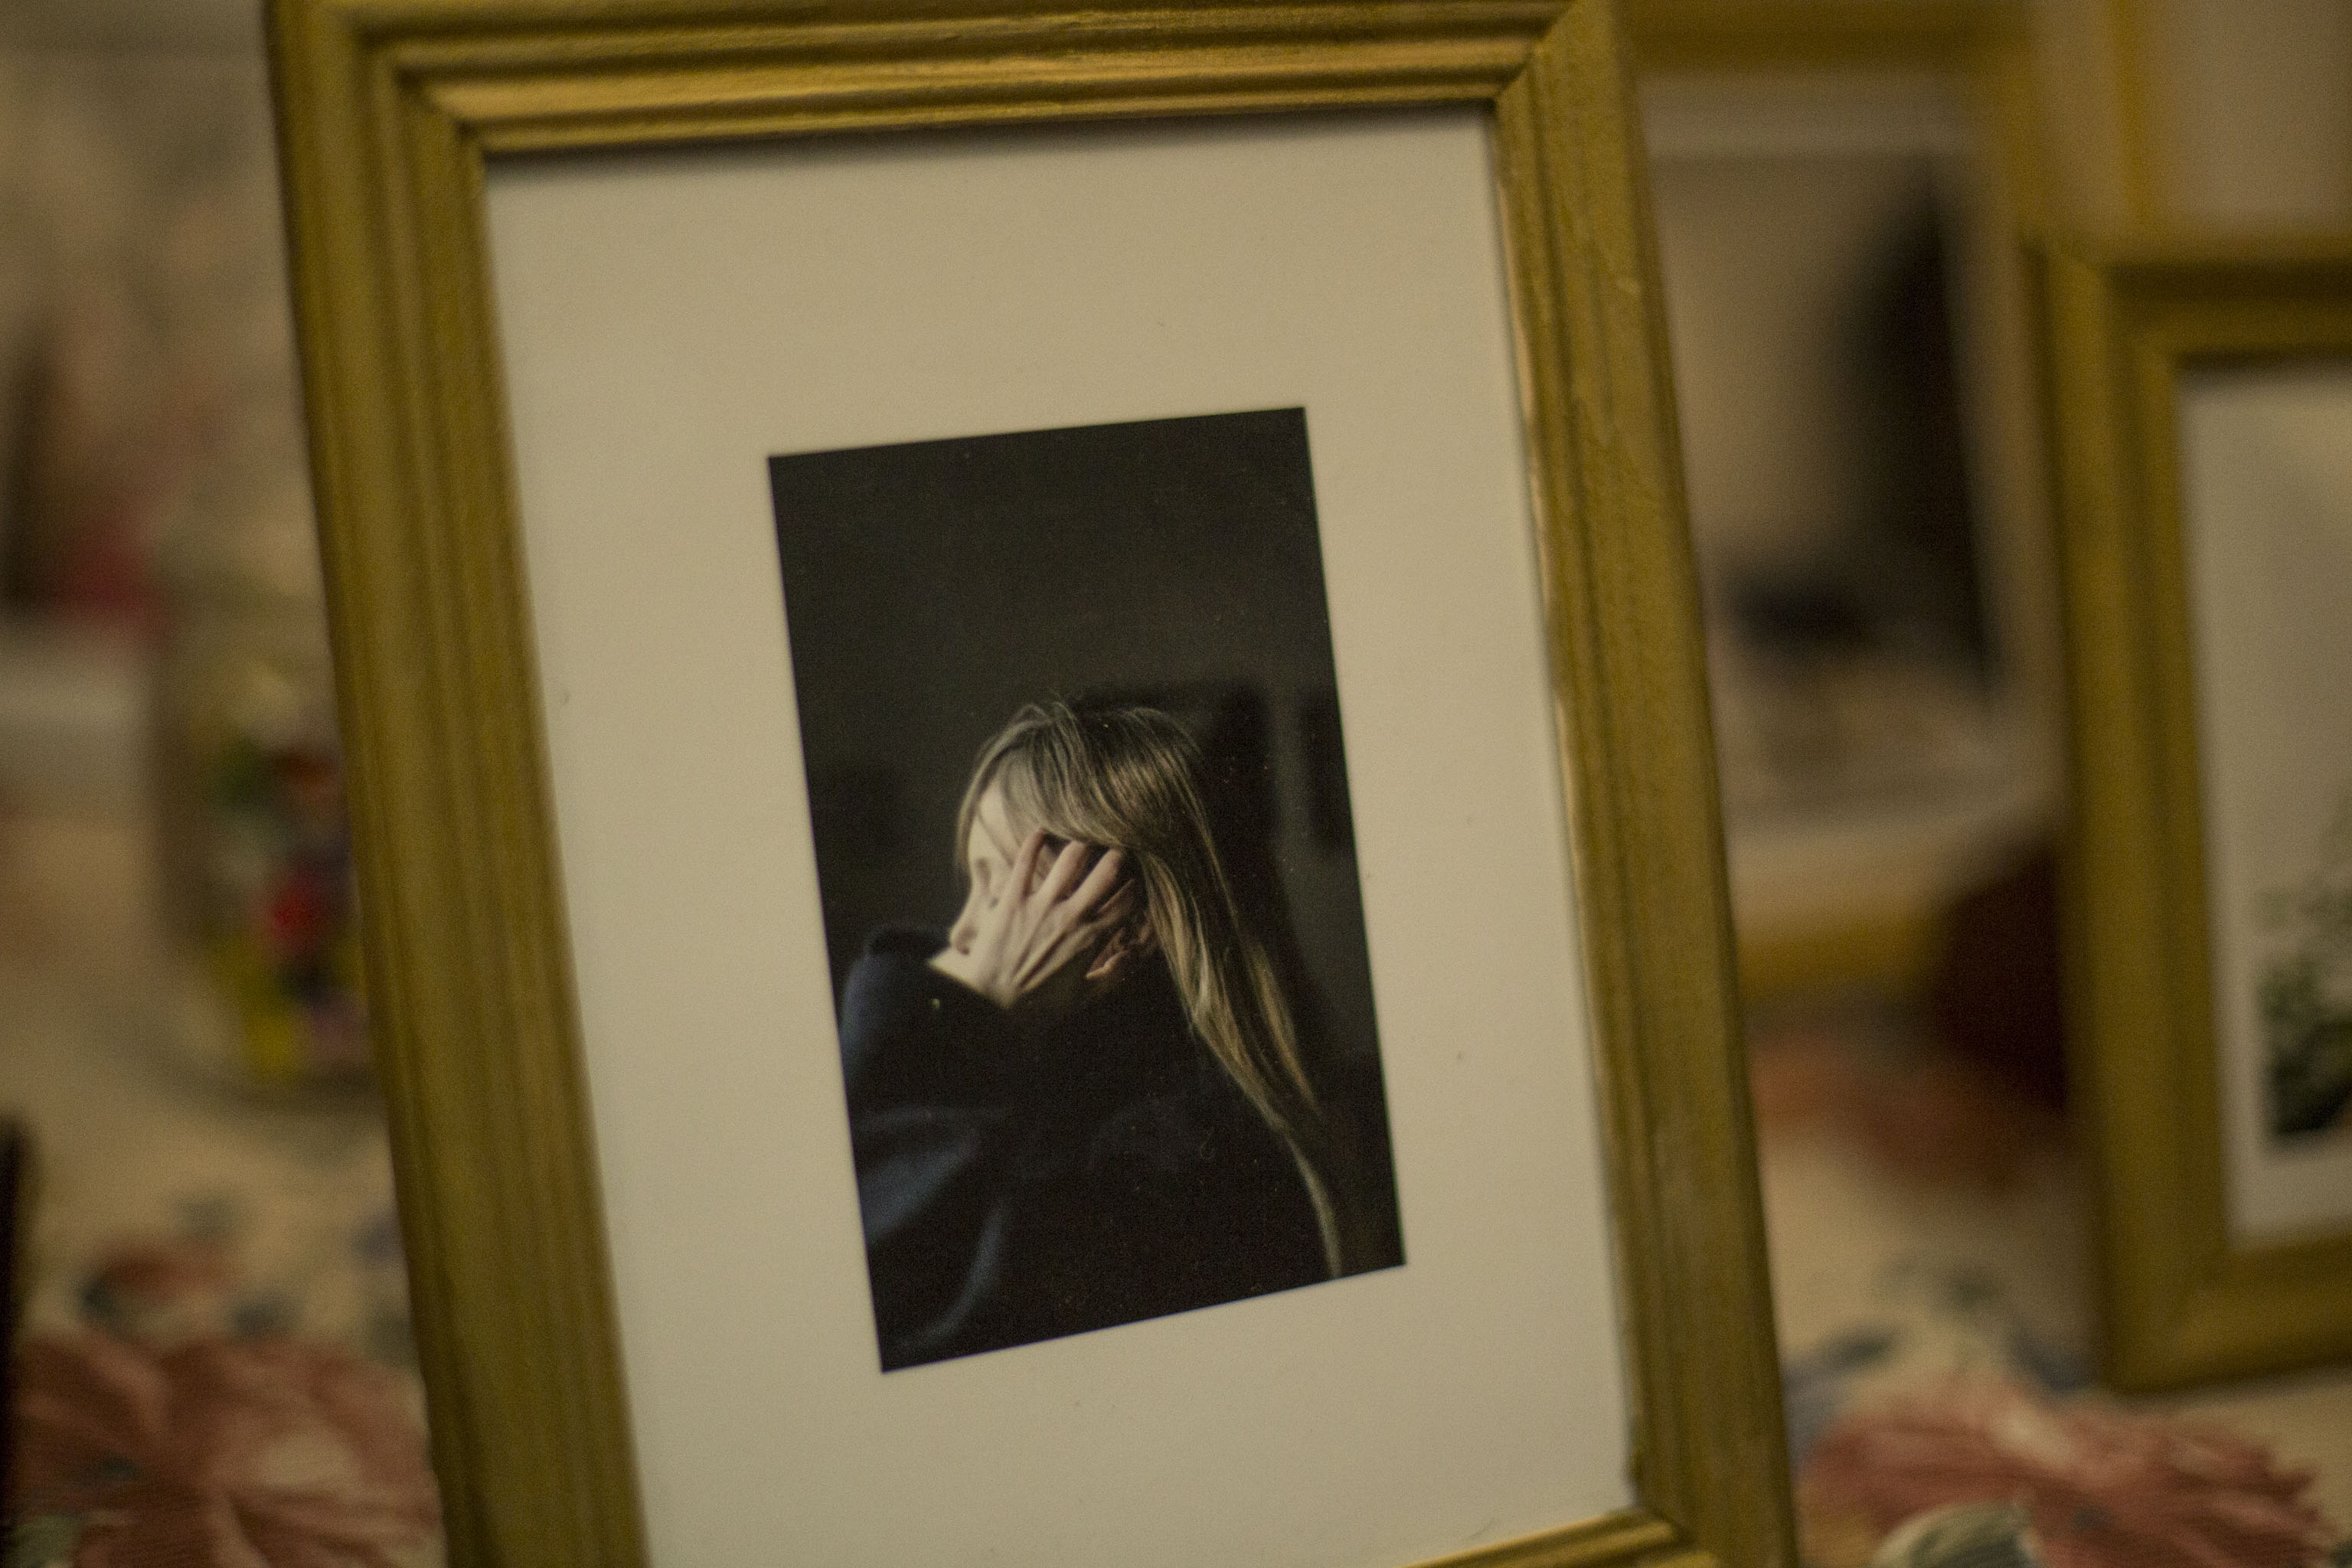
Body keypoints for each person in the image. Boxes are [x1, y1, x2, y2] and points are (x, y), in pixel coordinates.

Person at [837, 700, 1361, 1369]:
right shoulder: (1061, 1106)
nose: (960, 933)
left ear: (1124, 926)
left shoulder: (1160, 1166)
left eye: (999, 897)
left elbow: (882, 1289)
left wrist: (947, 1015)